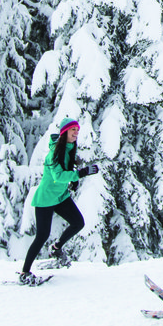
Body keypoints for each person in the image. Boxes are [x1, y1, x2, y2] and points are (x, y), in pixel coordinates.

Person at [19, 118, 99, 284]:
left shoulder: (69, 149)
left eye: (77, 130)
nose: (76, 133)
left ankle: (56, 248)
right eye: (73, 130)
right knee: (42, 236)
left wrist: (75, 178)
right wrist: (80, 174)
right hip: (46, 199)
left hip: (60, 196)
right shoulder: (54, 153)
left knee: (78, 223)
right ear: (64, 133)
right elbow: (58, 176)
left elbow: (67, 168)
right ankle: (24, 273)